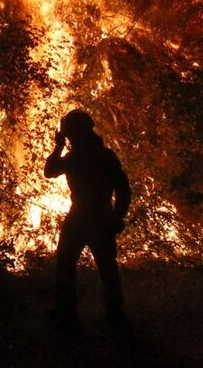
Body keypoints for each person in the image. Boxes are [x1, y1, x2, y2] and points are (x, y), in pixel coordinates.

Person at [44, 109, 131, 331]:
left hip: (86, 215)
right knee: (105, 266)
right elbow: (123, 189)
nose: (69, 137)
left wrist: (58, 147)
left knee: (68, 263)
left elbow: (50, 171)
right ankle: (114, 313)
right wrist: (117, 216)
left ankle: (67, 312)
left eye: (70, 133)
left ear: (75, 133)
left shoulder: (78, 157)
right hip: (98, 215)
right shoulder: (103, 155)